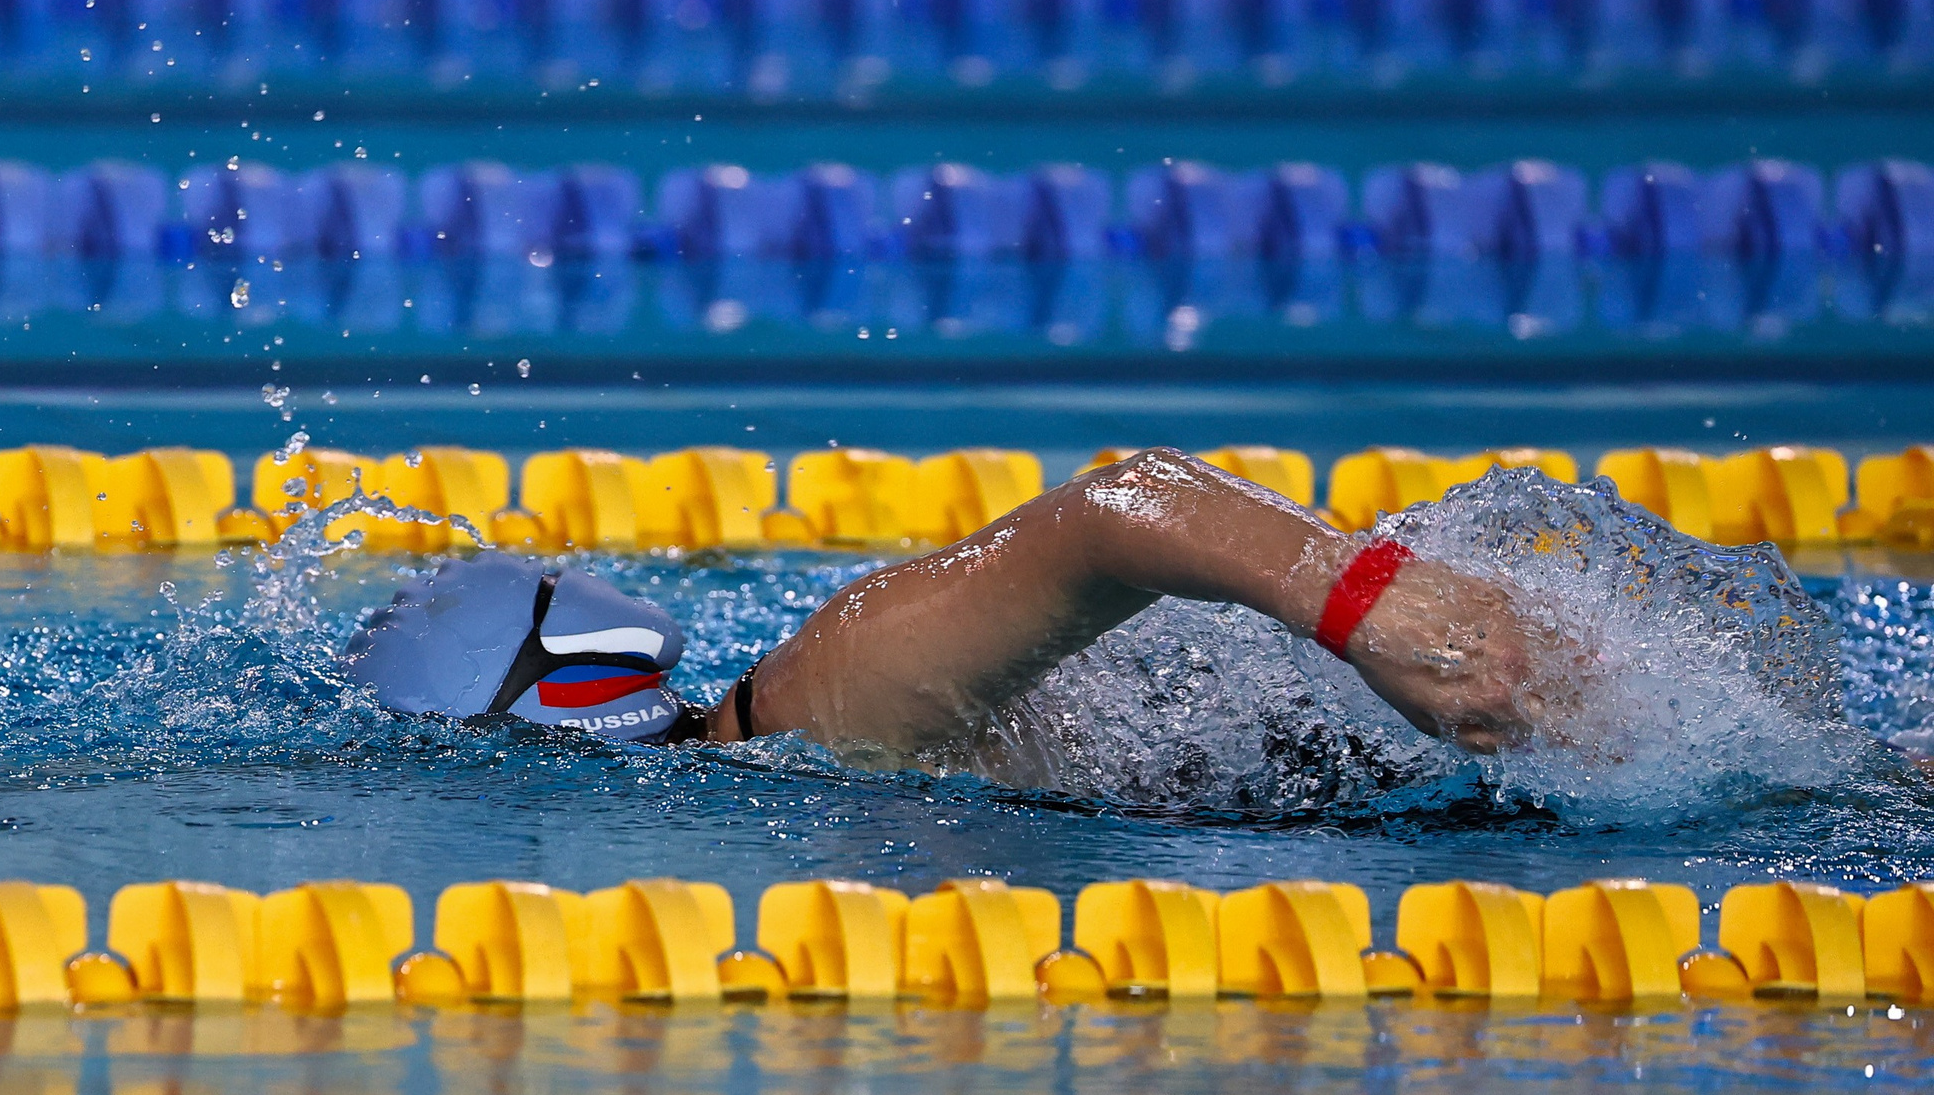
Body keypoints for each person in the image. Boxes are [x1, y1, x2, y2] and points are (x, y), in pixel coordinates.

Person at [343, 447, 1554, 765]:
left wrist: (1371, 609)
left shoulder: (818, 699)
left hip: (1406, 714)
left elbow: (1120, 507)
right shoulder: (778, 751)